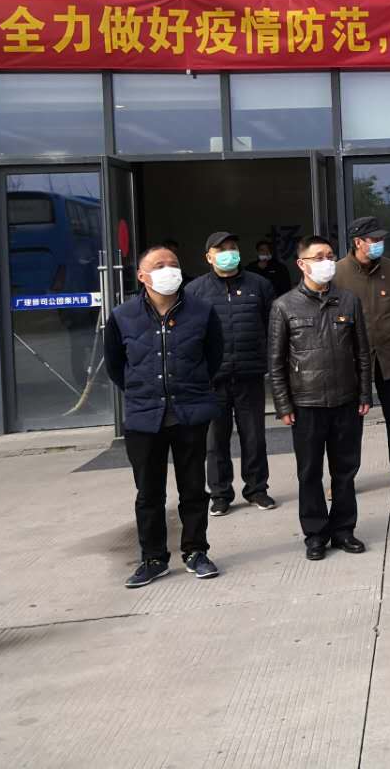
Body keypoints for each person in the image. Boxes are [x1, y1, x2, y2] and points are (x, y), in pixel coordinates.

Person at [105, 245, 224, 588]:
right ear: (142, 275)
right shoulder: (123, 315)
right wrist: (143, 391)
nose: (168, 270)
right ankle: (153, 558)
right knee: (149, 493)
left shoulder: (201, 311)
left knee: (193, 489)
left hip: (190, 414)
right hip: (144, 417)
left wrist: (190, 388)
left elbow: (213, 357)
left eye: (173, 264)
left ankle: (196, 552)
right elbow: (116, 366)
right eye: (159, 265)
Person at [270, 235, 373, 561]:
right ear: (302, 264)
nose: (326, 262)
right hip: (306, 404)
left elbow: (363, 352)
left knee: (345, 471)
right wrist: (283, 404)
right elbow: (276, 362)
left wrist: (365, 392)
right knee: (309, 473)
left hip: (346, 401)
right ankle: (315, 534)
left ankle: (344, 530)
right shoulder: (284, 306)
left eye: (330, 255)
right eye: (318, 257)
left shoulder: (348, 300)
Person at [185, 230, 277, 516]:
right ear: (209, 257)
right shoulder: (195, 291)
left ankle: (257, 489)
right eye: (221, 249)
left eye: (232, 247)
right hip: (213, 380)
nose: (229, 253)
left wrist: (268, 362)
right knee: (215, 441)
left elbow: (272, 327)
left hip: (250, 374)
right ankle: (220, 494)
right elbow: (189, 335)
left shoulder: (259, 285)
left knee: (254, 437)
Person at [334, 216, 390, 491]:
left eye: (381, 239)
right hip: (352, 359)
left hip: (389, 355)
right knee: (350, 423)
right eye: (373, 239)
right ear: (357, 242)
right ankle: (343, 478)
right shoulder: (338, 273)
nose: (379, 243)